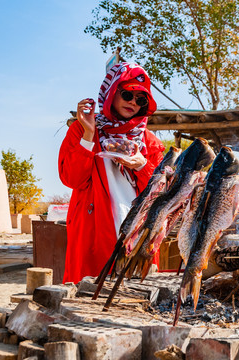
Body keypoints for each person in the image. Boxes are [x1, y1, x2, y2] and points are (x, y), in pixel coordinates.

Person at [59, 62, 165, 283]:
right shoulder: (82, 128)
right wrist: (89, 135)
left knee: (136, 300)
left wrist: (142, 166)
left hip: (138, 235)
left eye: (141, 99)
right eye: (127, 94)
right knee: (87, 296)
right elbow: (72, 178)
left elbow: (162, 194)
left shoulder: (150, 143)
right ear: (111, 92)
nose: (133, 103)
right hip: (94, 231)